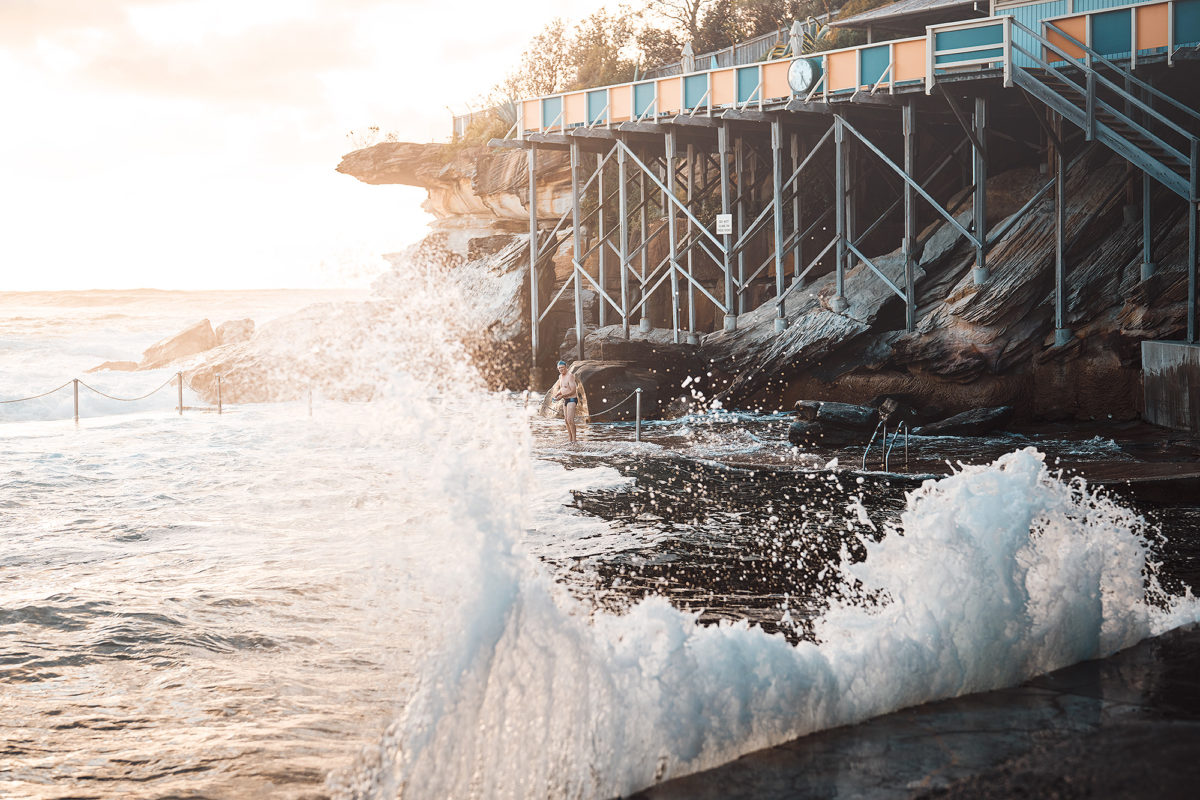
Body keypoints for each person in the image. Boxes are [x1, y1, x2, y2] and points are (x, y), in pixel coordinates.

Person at [552, 360, 580, 443]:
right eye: (559, 368)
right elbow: (563, 388)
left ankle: (574, 440)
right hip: (565, 399)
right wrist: (557, 395)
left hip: (572, 399)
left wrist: (562, 396)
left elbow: (573, 390)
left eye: (562, 368)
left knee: (570, 420)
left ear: (566, 367)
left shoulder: (570, 376)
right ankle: (570, 439)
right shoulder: (560, 376)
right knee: (566, 420)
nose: (561, 369)